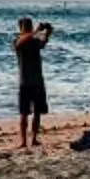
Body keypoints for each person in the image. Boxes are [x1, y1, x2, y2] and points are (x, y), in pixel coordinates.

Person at [12, 18, 54, 149]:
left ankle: (34, 139)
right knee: (24, 113)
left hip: (37, 81)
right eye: (26, 26)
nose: (28, 28)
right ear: (20, 28)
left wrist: (48, 33)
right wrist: (36, 31)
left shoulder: (34, 41)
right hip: (25, 81)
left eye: (29, 26)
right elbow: (19, 44)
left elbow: (43, 44)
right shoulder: (18, 41)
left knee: (37, 112)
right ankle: (23, 141)